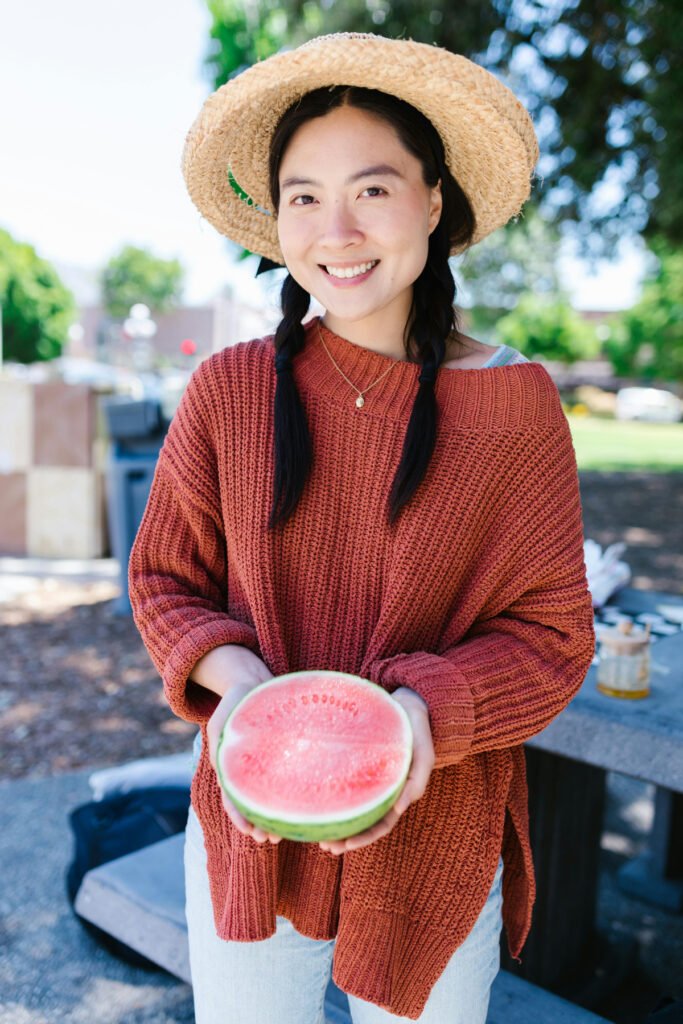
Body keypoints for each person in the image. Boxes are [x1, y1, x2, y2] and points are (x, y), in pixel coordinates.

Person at [128, 32, 595, 1024]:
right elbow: (164, 580)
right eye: (303, 197)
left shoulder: (516, 408)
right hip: (249, 831)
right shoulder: (227, 390)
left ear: (433, 201)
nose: (334, 230)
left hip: (437, 838)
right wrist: (241, 687)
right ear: (277, 220)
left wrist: (421, 714)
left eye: (372, 189)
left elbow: (551, 640)